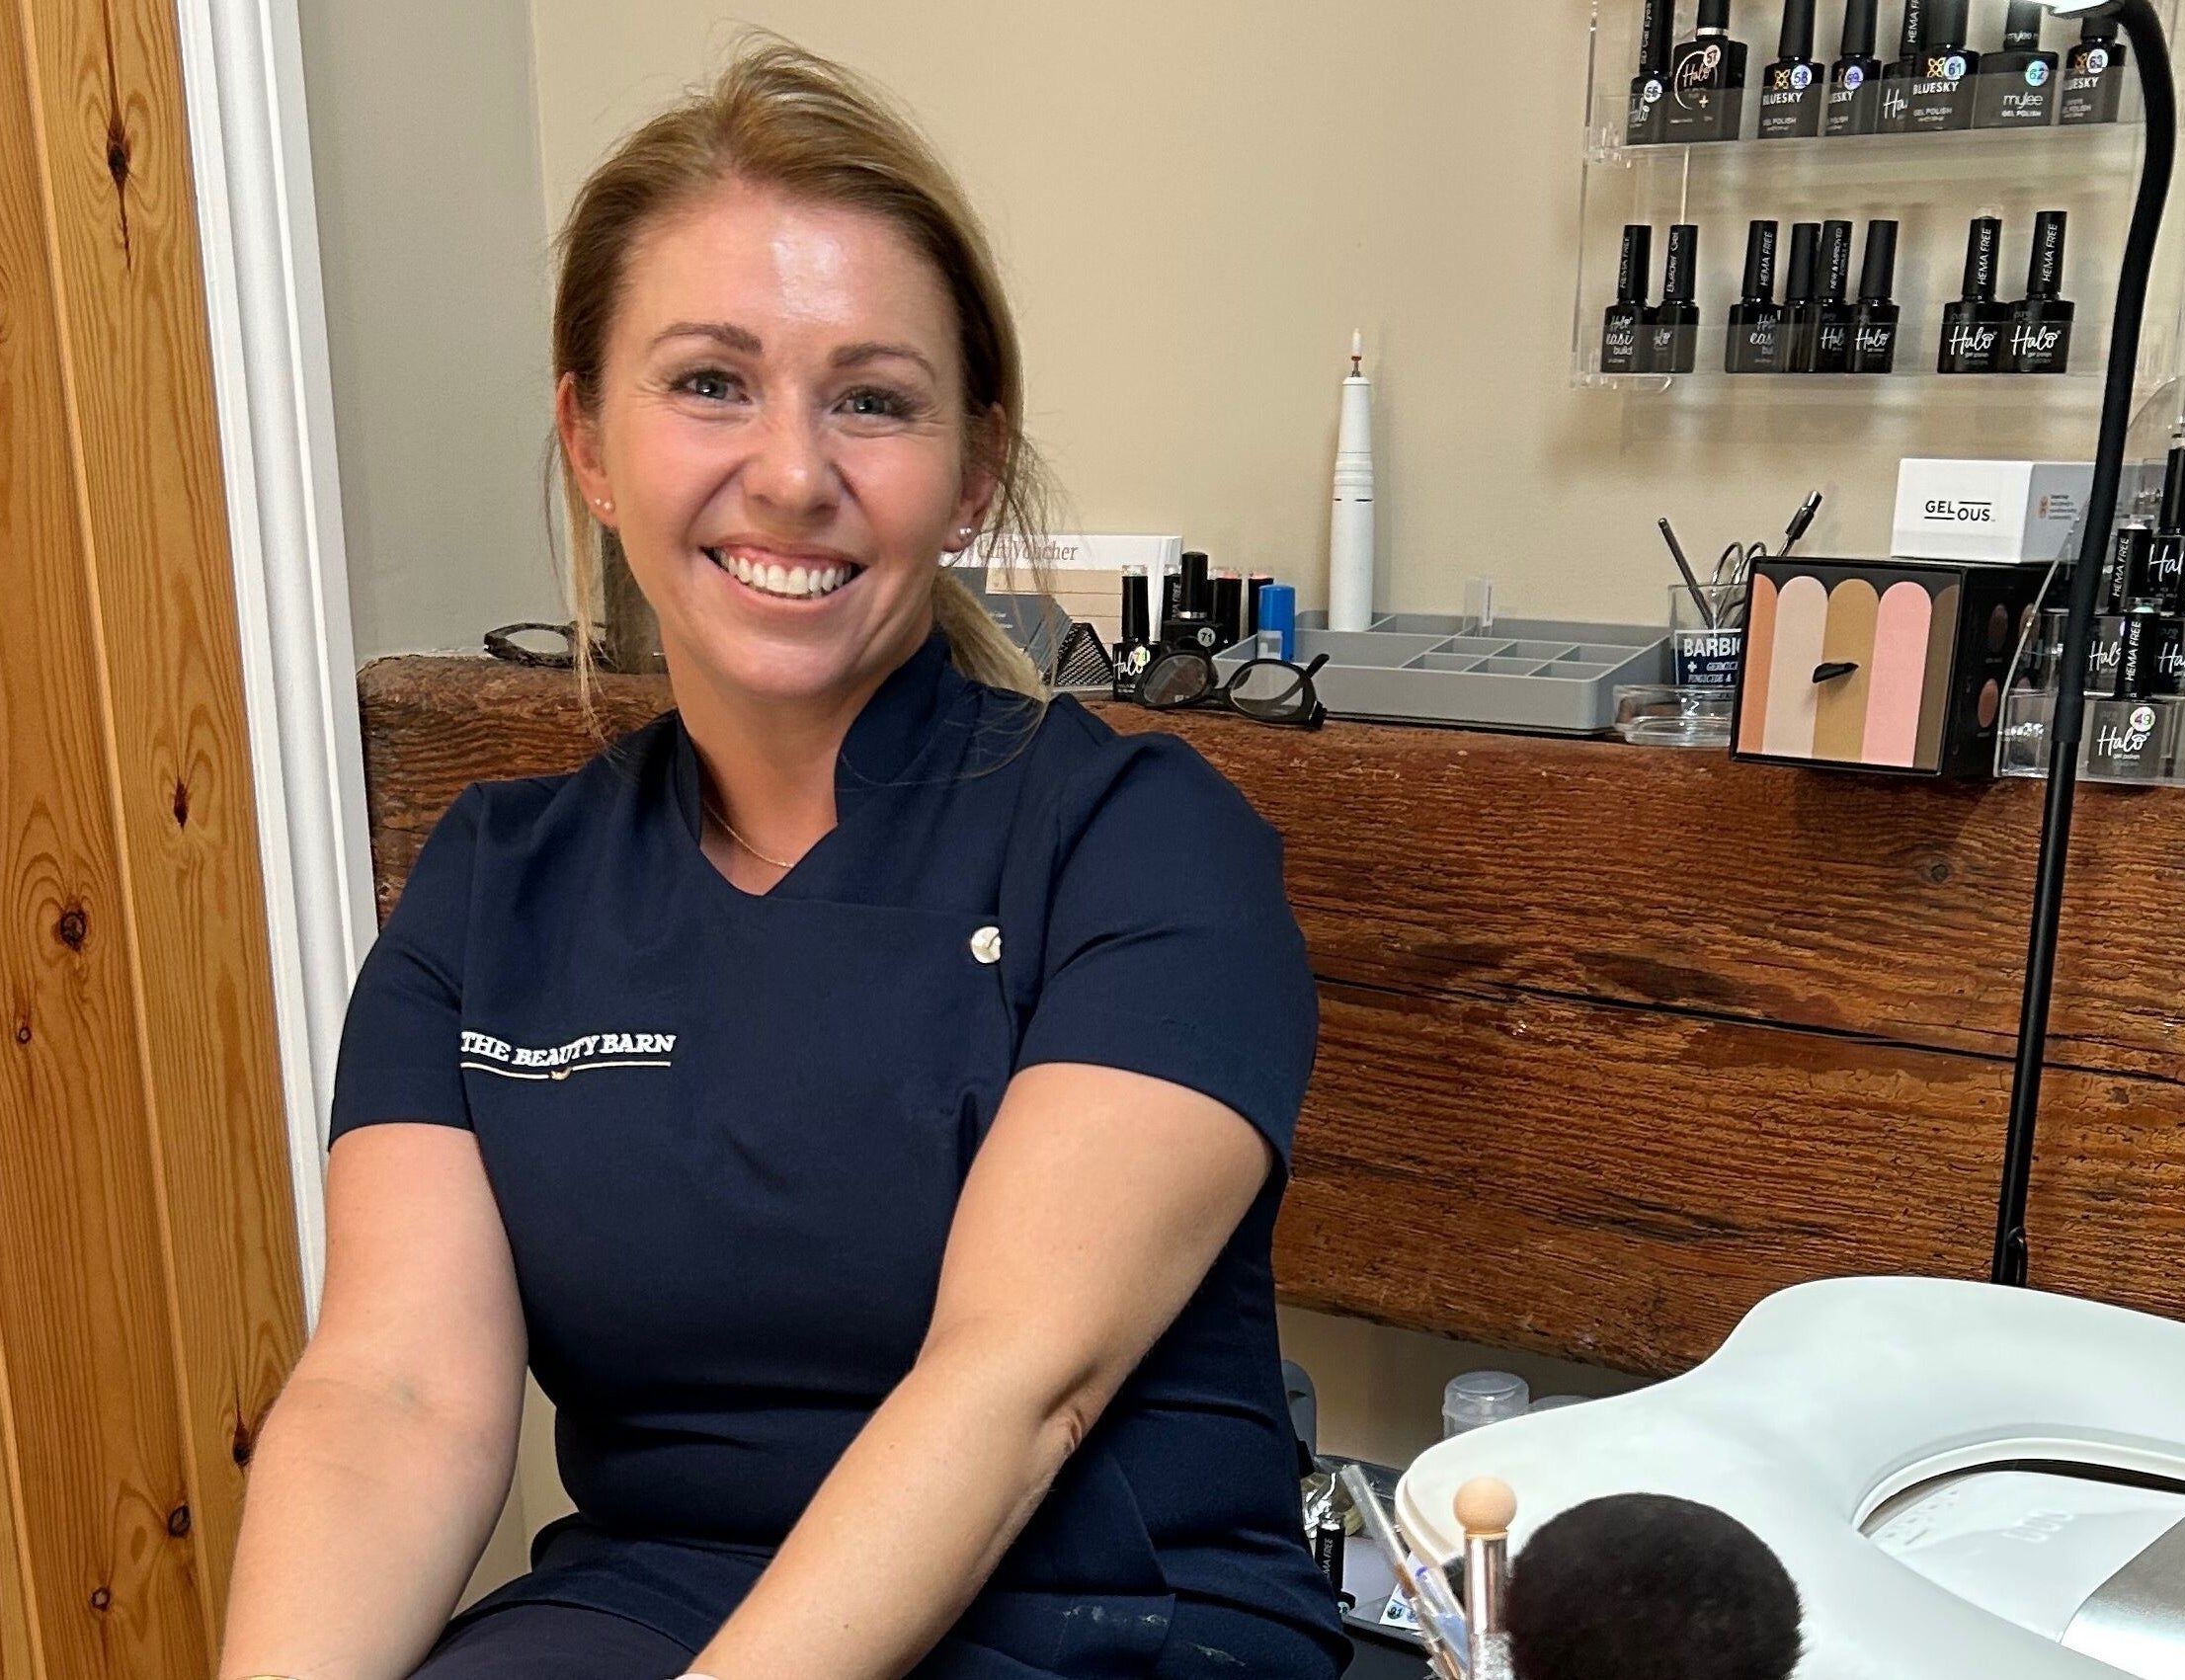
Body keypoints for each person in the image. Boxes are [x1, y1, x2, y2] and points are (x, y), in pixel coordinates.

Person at [215, 38, 1345, 1680]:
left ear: (969, 475)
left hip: (1097, 1613)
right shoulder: (491, 888)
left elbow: (1017, 1381)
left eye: (871, 400)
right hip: (647, 1601)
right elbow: (395, 1394)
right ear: (591, 443)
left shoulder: (1137, 845)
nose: (794, 474)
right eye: (708, 380)